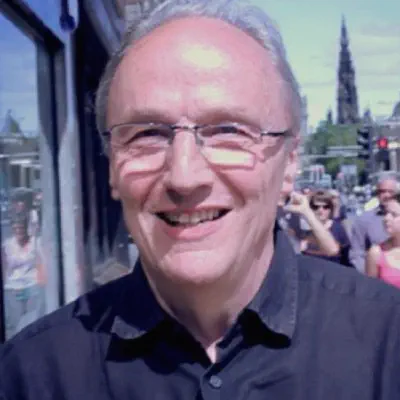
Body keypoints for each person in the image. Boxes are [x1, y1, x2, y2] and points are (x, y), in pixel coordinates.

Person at [2, 1, 400, 398]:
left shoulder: (387, 344)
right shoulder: (31, 377)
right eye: (147, 134)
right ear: (112, 168)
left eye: (229, 130)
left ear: (290, 162)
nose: (184, 177)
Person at [1, 212, 46, 340]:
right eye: (15, 228)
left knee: (33, 322)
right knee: (15, 324)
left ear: (26, 228)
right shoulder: (7, 246)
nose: (18, 231)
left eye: (21, 228)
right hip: (13, 288)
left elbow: (43, 262)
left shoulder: (35, 242)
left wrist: (43, 282)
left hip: (32, 286)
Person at [350, 173, 398, 273]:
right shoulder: (364, 220)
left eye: (391, 192)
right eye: (382, 191)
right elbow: (357, 254)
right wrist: (369, 275)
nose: (386, 195)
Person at [289, 190, 351, 265]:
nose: (321, 210)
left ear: (330, 209)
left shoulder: (338, 229)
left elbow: (346, 255)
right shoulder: (304, 228)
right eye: (316, 207)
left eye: (325, 207)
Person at [366, 193, 400, 288]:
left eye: (394, 215)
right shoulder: (376, 252)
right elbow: (369, 291)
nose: (386, 218)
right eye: (385, 213)